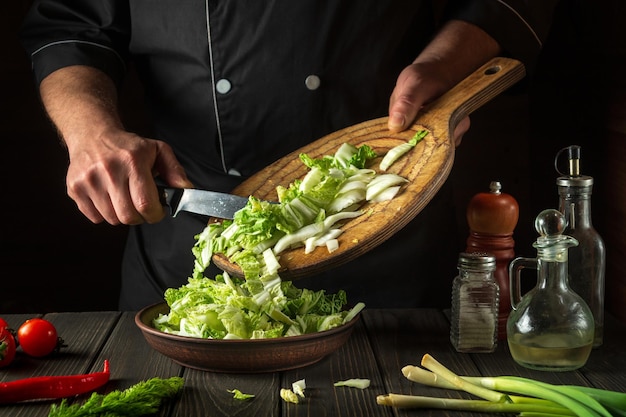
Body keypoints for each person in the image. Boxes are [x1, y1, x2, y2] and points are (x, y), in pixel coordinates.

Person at [21, 1, 559, 311]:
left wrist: (443, 67)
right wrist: (91, 133)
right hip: (187, 260)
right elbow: (71, 23)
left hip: (388, 239)